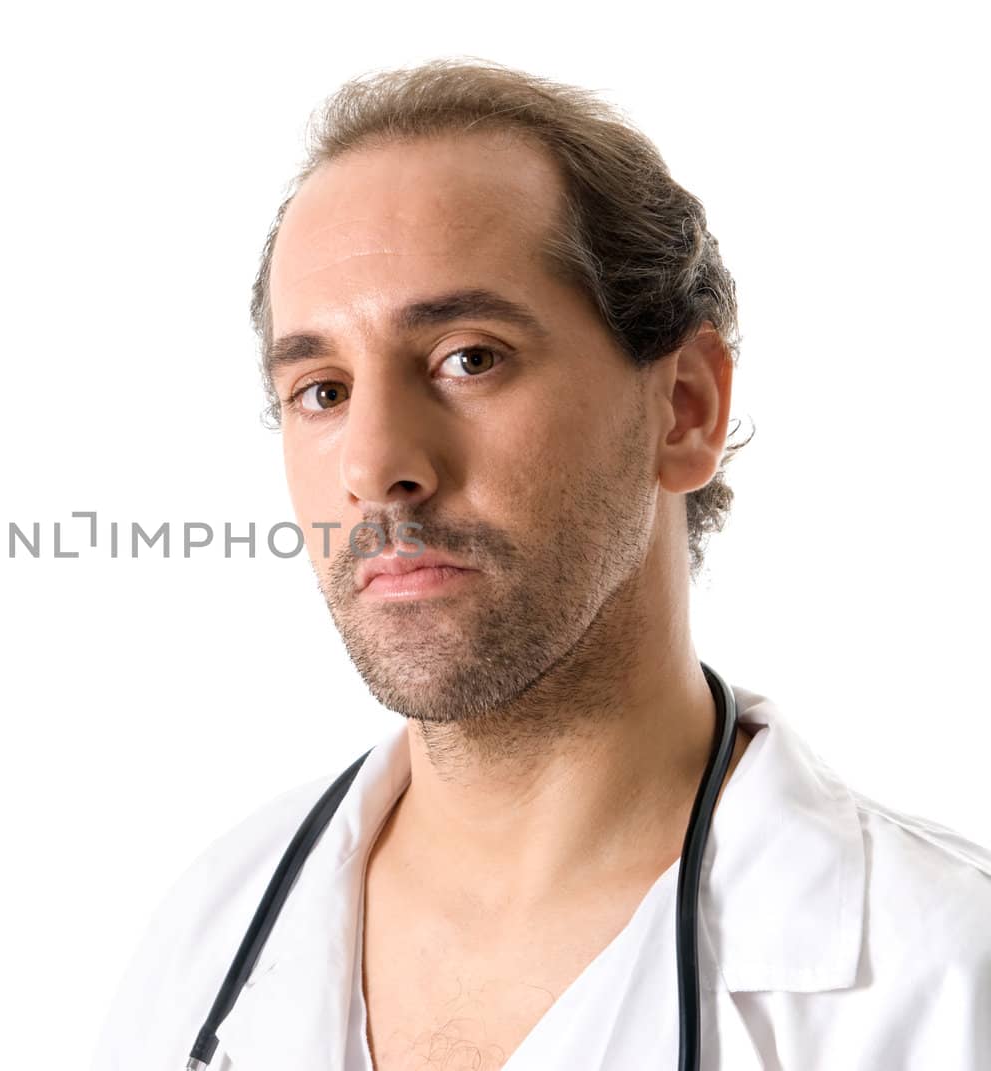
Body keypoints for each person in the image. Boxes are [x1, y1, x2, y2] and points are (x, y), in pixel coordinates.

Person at [89, 59, 991, 1071]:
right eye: (322, 389)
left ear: (683, 407)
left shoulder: (946, 981)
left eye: (467, 357)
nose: (376, 466)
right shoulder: (208, 942)